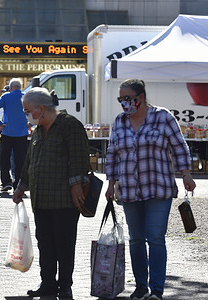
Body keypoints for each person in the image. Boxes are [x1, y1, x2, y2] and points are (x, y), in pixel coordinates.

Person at [104, 79, 196, 300]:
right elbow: (112, 153)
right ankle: (140, 286)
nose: (124, 104)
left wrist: (186, 173)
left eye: (128, 99)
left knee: (155, 238)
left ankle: (157, 290)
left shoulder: (163, 117)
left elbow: (179, 146)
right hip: (129, 189)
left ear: (141, 97)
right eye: (120, 100)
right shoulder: (120, 121)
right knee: (136, 239)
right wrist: (110, 183)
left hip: (159, 188)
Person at [13, 87, 89, 299]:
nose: (26, 114)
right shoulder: (38, 130)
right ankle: (47, 283)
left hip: (64, 199)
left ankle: (65, 284)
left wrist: (76, 186)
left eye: (28, 110)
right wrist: (21, 186)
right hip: (41, 198)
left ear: (41, 108)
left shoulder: (69, 125)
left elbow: (79, 158)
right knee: (45, 244)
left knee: (64, 243)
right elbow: (31, 160)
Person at [0, 78, 29, 191]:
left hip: (7, 132)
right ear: (21, 87)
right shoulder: (26, 97)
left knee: (5, 159)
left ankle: (6, 182)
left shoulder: (6, 97)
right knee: (20, 160)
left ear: (11, 87)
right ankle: (18, 183)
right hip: (22, 133)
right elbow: (35, 109)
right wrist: (30, 124)